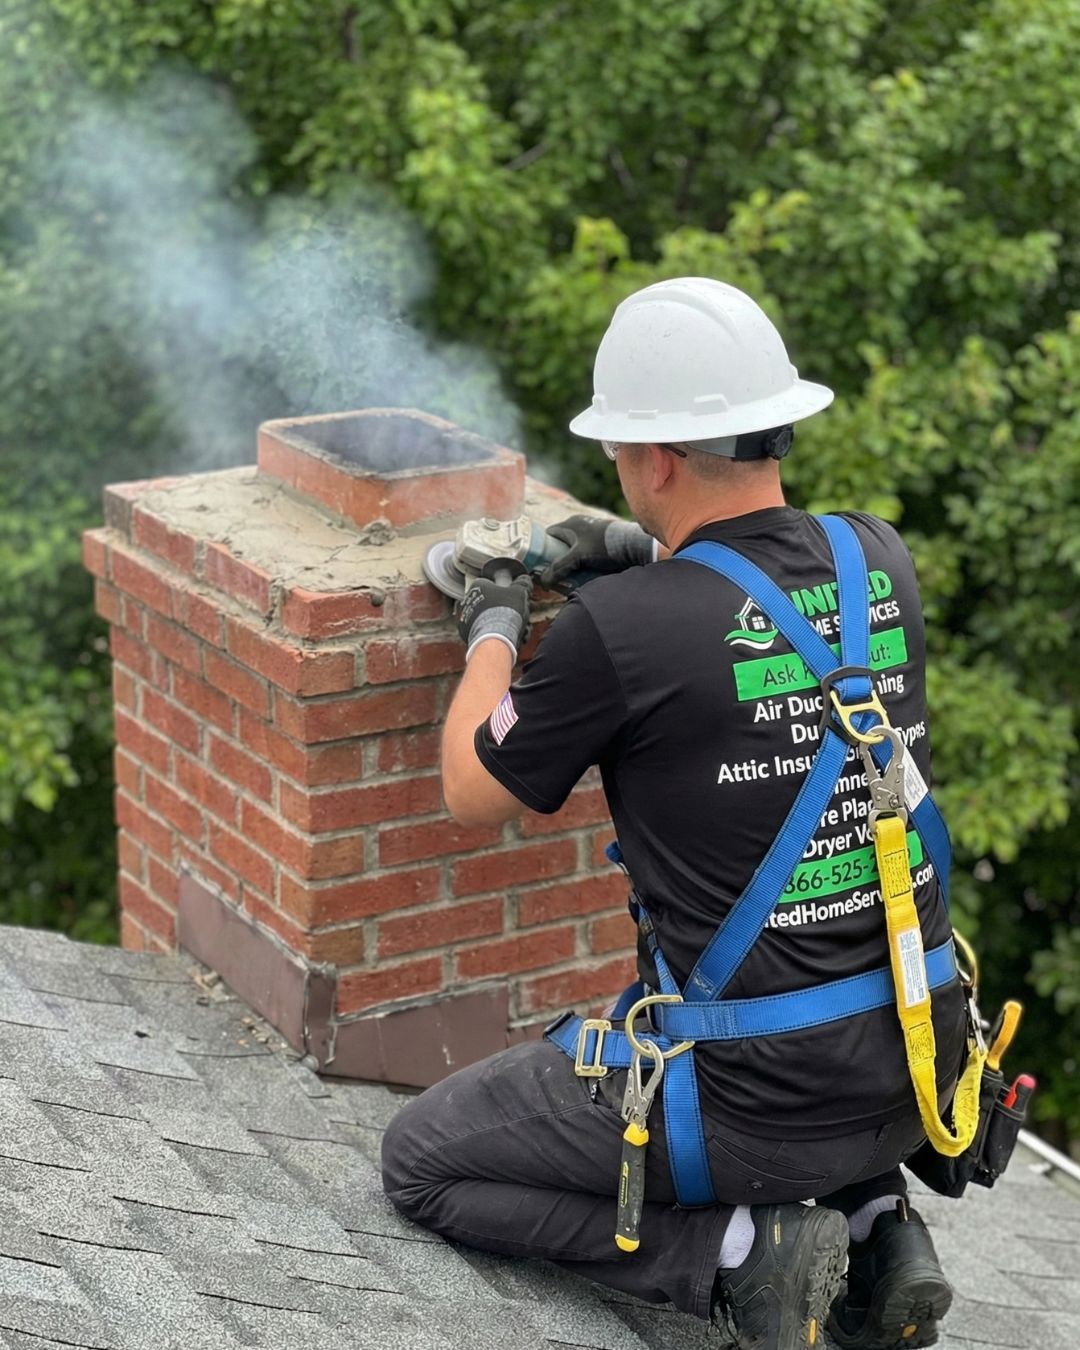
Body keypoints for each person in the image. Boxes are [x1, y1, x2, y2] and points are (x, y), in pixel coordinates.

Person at [382, 278, 968, 1350]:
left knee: (423, 1161)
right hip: (909, 1067)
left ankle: (742, 1253)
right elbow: (743, 625)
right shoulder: (878, 560)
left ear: (654, 459)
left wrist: (496, 622)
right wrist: (638, 552)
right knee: (805, 947)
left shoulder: (623, 631)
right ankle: (881, 1225)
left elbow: (472, 790)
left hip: (752, 1108)